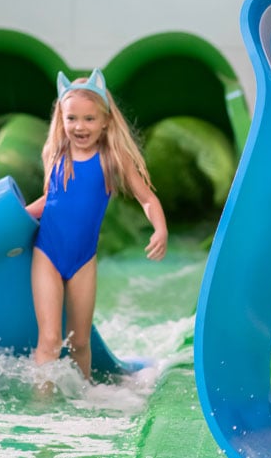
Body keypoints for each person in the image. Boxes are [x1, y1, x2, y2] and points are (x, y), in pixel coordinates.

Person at [25, 69, 168, 382]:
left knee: (79, 342)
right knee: (49, 341)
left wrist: (160, 228)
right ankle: (41, 410)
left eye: (89, 119)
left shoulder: (111, 158)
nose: (80, 126)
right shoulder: (55, 153)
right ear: (61, 118)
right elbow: (50, 200)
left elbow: (146, 198)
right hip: (47, 253)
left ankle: (83, 401)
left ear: (105, 121)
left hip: (83, 261)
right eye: (72, 118)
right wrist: (16, 215)